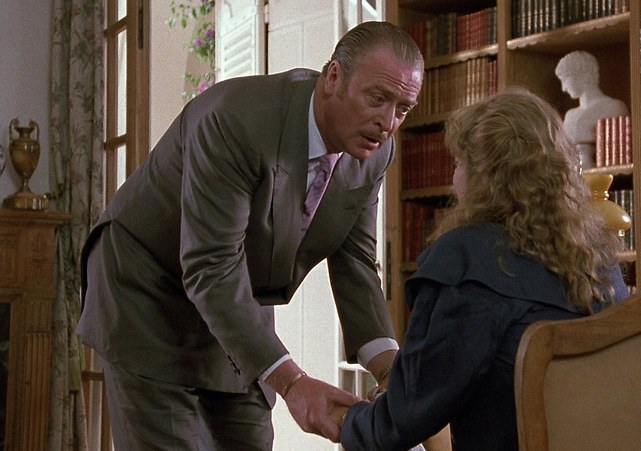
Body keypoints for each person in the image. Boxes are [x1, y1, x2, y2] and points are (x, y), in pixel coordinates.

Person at [75, 21, 423, 449]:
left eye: (403, 109)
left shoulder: (375, 153)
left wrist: (392, 374)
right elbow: (210, 266)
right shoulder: (233, 119)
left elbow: (356, 265)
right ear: (333, 76)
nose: (387, 122)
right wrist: (294, 383)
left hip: (236, 298)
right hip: (146, 290)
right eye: (378, 98)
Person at [336, 87, 629, 450]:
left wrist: (345, 421)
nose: (454, 176)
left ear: (483, 176)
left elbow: (411, 413)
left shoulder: (465, 260)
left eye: (458, 163)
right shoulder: (599, 258)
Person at [555, 50, 629, 169]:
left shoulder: (614, 107)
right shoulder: (570, 115)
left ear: (582, 75)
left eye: (565, 79)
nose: (564, 88)